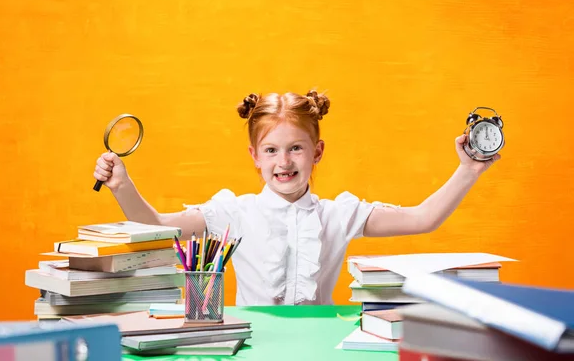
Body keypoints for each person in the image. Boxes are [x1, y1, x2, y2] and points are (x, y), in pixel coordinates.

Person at [93, 90, 501, 306]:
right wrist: (123, 187)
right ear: (255, 157)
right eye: (271, 150)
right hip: (253, 345)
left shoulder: (339, 215)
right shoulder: (232, 211)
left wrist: (468, 170)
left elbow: (422, 219)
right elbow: (158, 228)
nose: (283, 161)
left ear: (317, 153)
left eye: (296, 149)